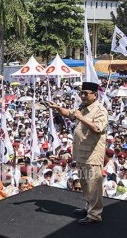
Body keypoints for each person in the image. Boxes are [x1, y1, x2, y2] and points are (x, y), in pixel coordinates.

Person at [48, 81, 108, 225]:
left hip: (93, 154)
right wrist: (57, 108)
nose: (82, 96)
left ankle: (95, 215)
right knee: (85, 183)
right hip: (81, 153)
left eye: (86, 93)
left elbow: (98, 128)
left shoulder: (100, 110)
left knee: (94, 184)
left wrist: (81, 117)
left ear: (95, 95)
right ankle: (88, 207)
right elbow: (70, 114)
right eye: (82, 93)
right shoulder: (83, 107)